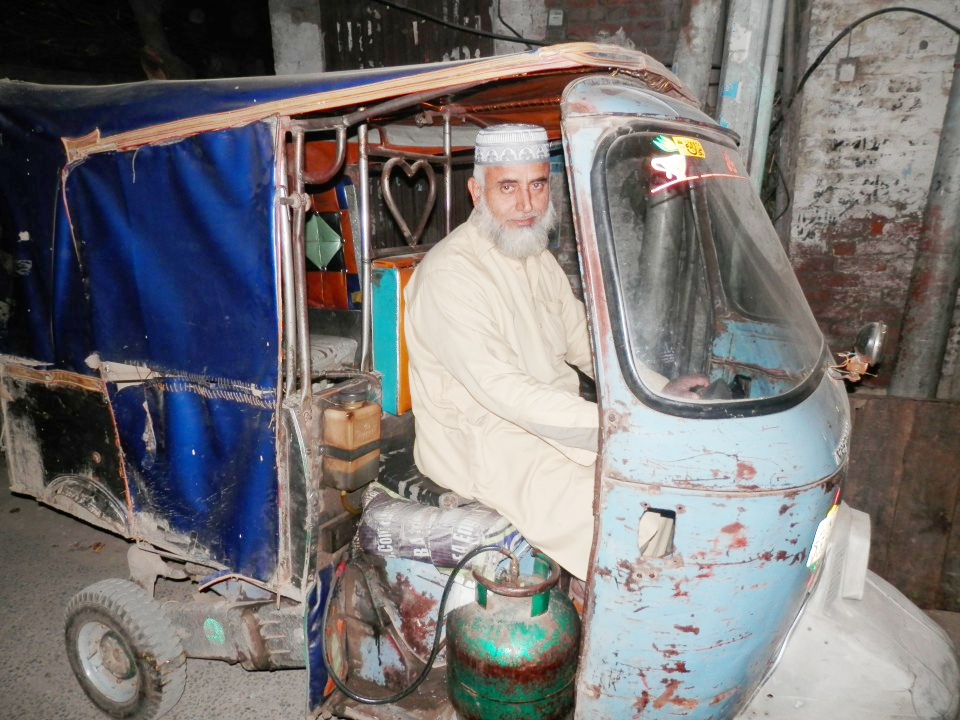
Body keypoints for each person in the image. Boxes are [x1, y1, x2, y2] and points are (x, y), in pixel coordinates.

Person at [403, 124, 705, 580]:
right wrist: (616, 426)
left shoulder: (536, 259)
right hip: (486, 445)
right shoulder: (450, 274)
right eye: (508, 187)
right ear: (476, 192)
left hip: (549, 425)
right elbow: (505, 392)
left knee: (674, 486)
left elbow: (588, 343)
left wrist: (657, 393)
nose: (527, 204)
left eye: (538, 185)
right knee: (639, 526)